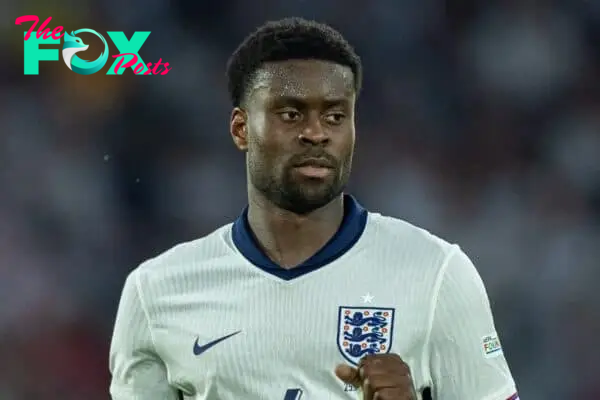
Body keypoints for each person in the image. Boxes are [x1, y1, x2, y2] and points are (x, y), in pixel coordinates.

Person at [109, 17, 519, 400]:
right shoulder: (158, 291)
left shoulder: (436, 273)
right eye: (291, 114)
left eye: (335, 116)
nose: (316, 133)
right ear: (240, 129)